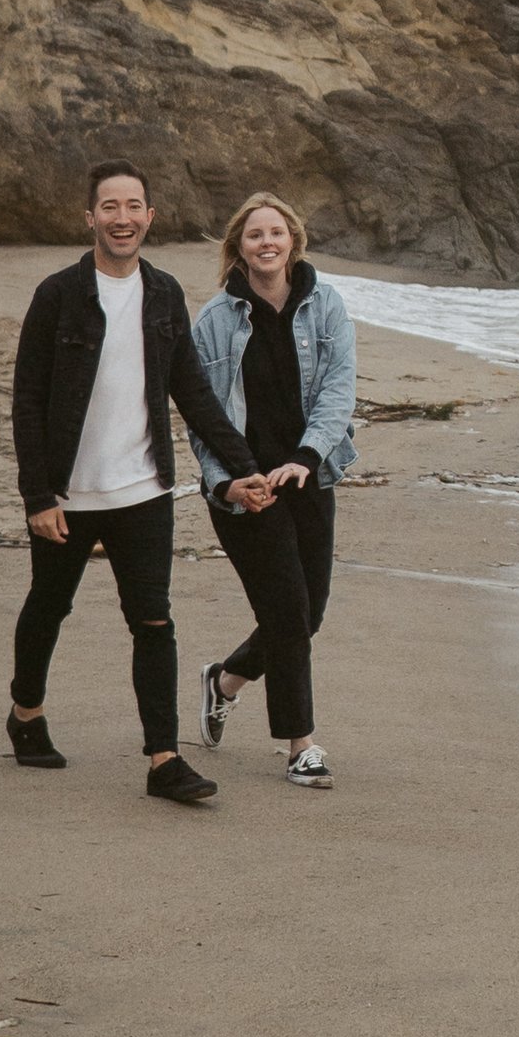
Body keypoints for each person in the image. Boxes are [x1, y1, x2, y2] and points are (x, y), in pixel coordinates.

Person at [6, 160, 275, 807]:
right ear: (90, 218)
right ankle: (24, 714)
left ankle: (164, 760)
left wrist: (243, 466)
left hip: (144, 491)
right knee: (50, 604)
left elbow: (193, 393)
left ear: (150, 217)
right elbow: (26, 400)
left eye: (134, 207)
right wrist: (37, 496)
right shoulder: (58, 295)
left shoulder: (163, 295)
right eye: (110, 207)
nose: (122, 218)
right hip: (70, 493)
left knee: (153, 621)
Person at [190, 193, 358, 787]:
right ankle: (300, 746)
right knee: (287, 613)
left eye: (277, 233)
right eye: (255, 234)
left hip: (309, 476)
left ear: (293, 241)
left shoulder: (325, 303)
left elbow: (339, 389)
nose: (267, 242)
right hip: (247, 486)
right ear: (238, 246)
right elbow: (202, 415)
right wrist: (228, 483)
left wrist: (306, 458)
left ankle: (225, 680)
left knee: (308, 615)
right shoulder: (214, 321)